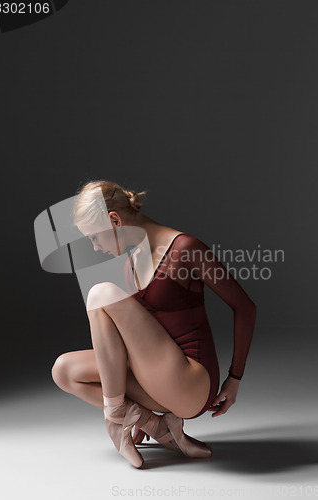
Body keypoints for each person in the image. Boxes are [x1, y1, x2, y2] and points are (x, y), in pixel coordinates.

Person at [51, 179, 257, 468]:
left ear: (115, 220)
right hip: (158, 384)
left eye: (95, 238)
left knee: (100, 293)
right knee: (64, 370)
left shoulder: (186, 248)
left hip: (191, 383)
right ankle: (155, 426)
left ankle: (115, 419)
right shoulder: (130, 262)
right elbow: (136, 341)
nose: (96, 248)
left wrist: (235, 378)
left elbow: (245, 308)